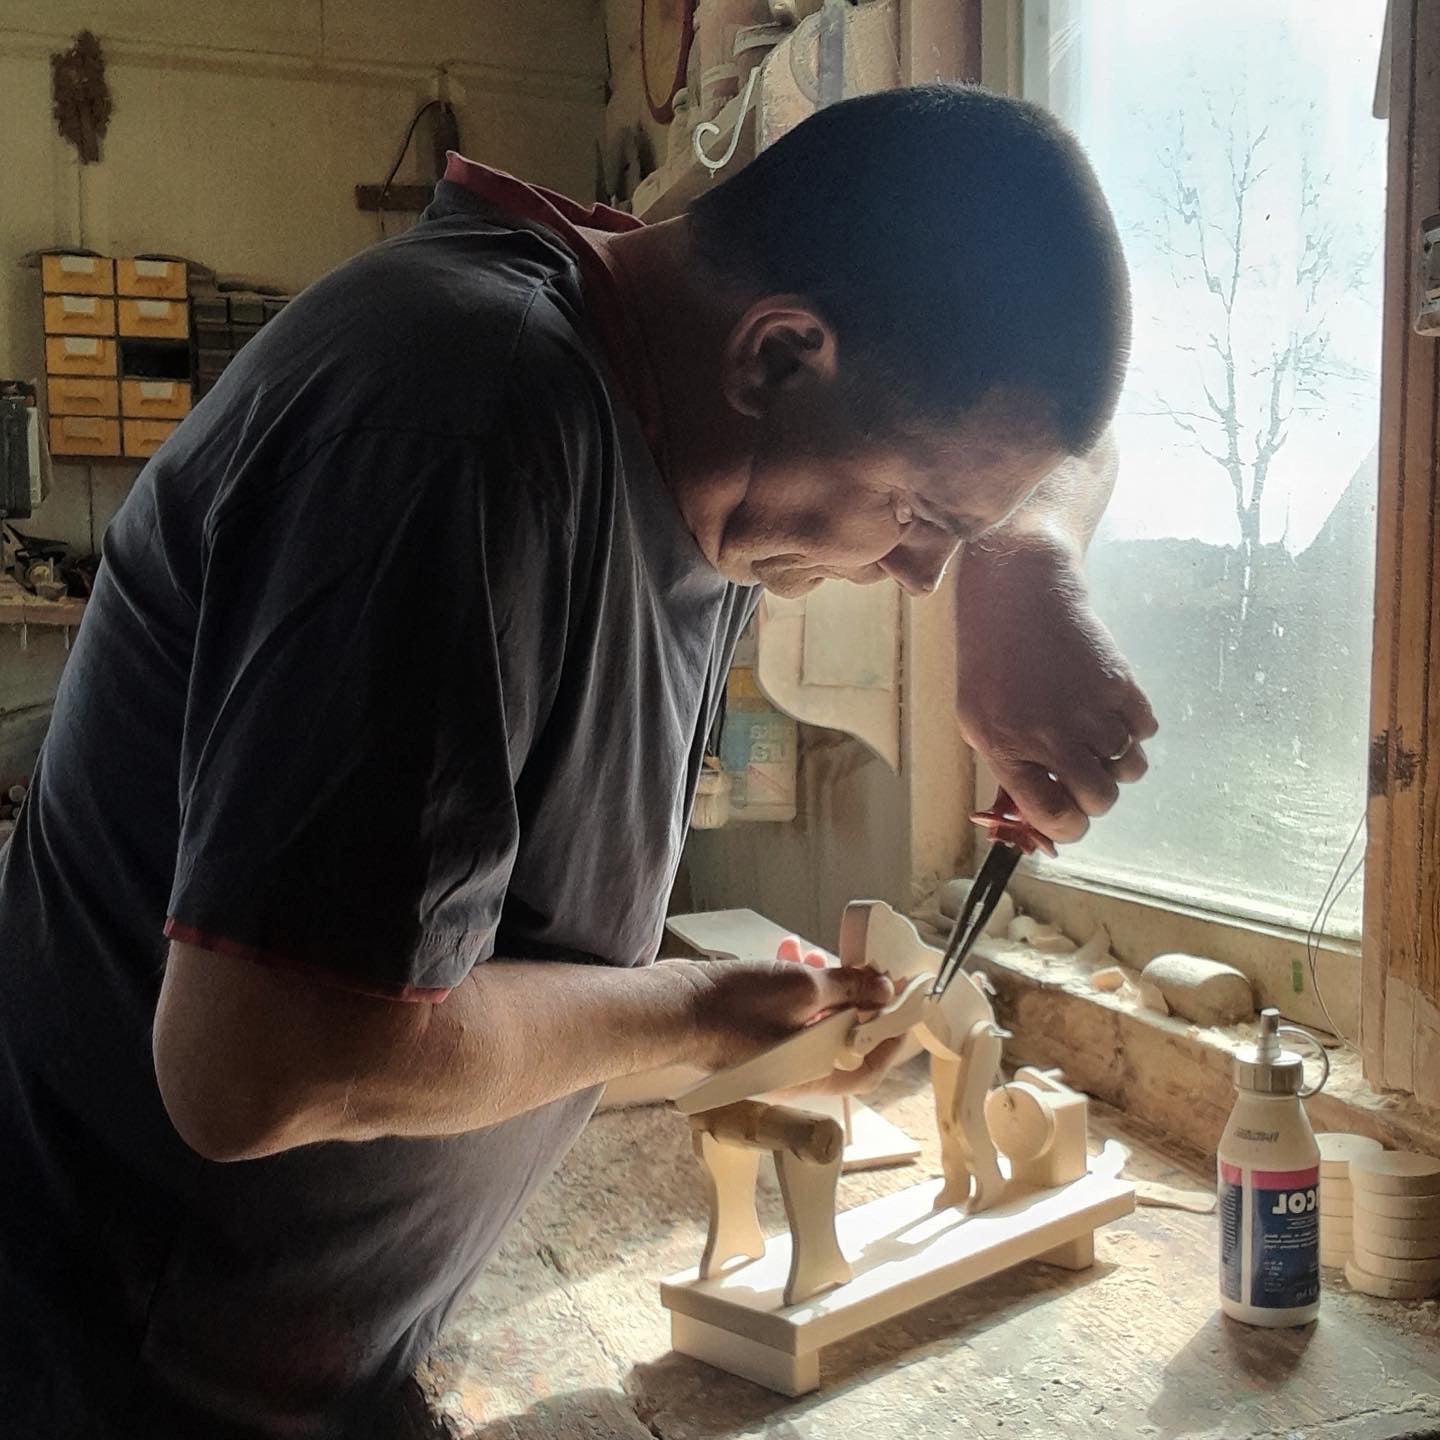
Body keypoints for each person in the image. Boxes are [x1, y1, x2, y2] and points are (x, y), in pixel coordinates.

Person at [0, 84, 1154, 1438]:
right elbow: (263, 1066)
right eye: (917, 516)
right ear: (782, 356)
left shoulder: (690, 391)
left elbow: (1063, 414)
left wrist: (1024, 558)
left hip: (307, 1357)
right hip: (110, 1376)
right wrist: (695, 1009)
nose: (911, 576)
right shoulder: (462, 421)